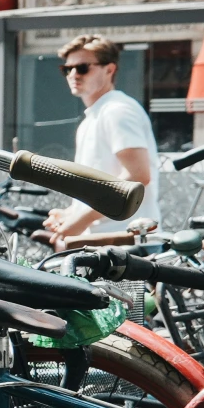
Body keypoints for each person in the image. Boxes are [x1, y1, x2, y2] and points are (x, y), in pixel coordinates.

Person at [41, 34, 158, 249]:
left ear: (109, 69)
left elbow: (137, 176)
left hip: (124, 243)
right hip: (107, 242)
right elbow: (102, 183)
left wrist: (79, 221)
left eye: (83, 67)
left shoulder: (117, 111)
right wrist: (71, 214)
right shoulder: (96, 115)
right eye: (67, 69)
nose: (74, 74)